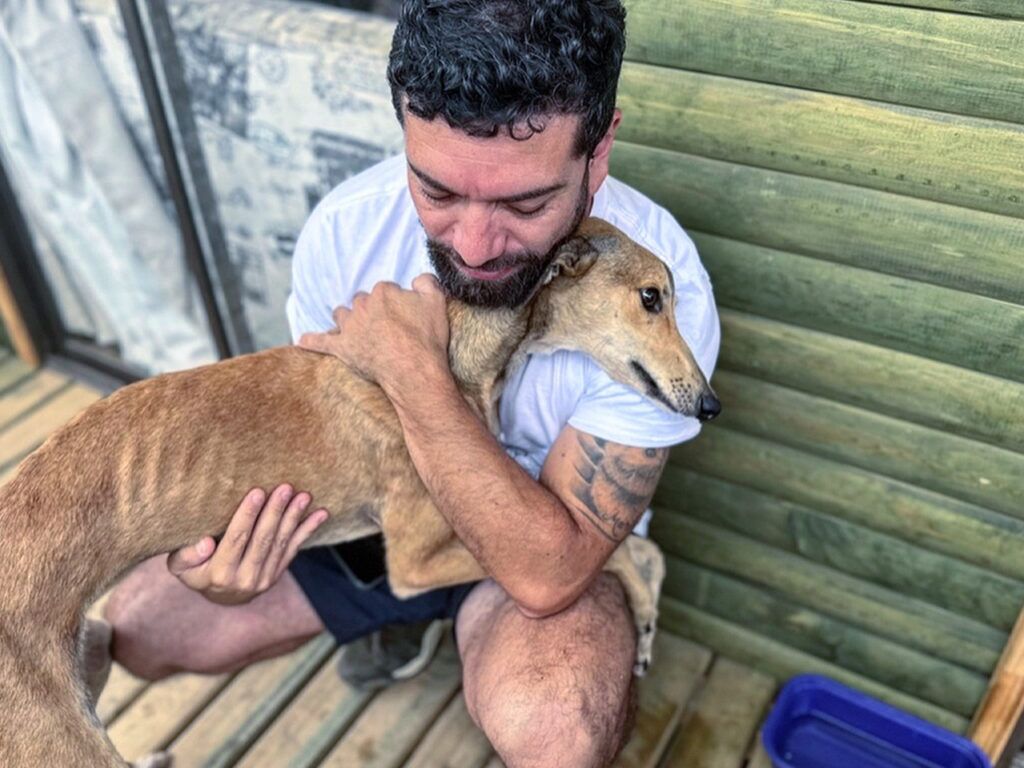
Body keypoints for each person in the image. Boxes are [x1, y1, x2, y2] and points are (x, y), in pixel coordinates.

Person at [103, 1, 720, 764]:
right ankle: (403, 613)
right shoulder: (345, 230)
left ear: (598, 155)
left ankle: (443, 616)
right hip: (377, 513)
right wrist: (227, 566)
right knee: (139, 629)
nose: (475, 246)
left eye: (525, 203)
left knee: (559, 730)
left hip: (539, 548)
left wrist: (411, 369)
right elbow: (317, 435)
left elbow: (548, 573)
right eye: (437, 192)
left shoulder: (654, 285)